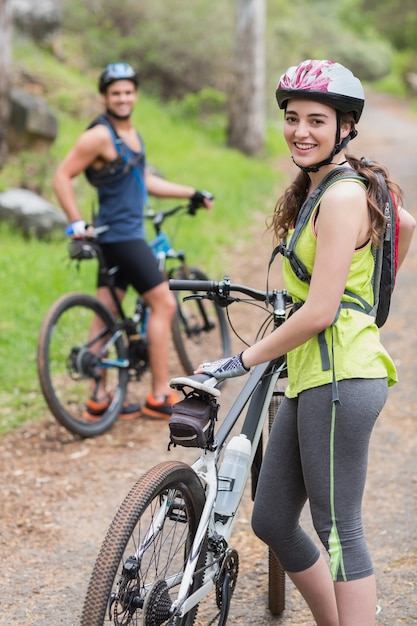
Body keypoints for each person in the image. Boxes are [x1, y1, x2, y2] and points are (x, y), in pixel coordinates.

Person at [194, 60, 415, 625]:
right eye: (292, 119)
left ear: (345, 127)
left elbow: (318, 311)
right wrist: (367, 295)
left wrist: (240, 359)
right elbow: (405, 224)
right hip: (315, 376)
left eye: (317, 120)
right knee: (271, 518)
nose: (301, 131)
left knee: (340, 530)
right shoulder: (326, 188)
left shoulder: (341, 197)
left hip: (342, 378)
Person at [53, 62, 214, 421]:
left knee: (107, 311)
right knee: (165, 305)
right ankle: (158, 395)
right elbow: (62, 176)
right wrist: (75, 220)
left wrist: (191, 192)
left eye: (128, 92)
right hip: (123, 237)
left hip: (116, 237)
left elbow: (146, 183)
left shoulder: (130, 134)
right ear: (104, 97)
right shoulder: (98, 135)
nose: (123, 98)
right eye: (115, 93)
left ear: (135, 95)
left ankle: (98, 398)